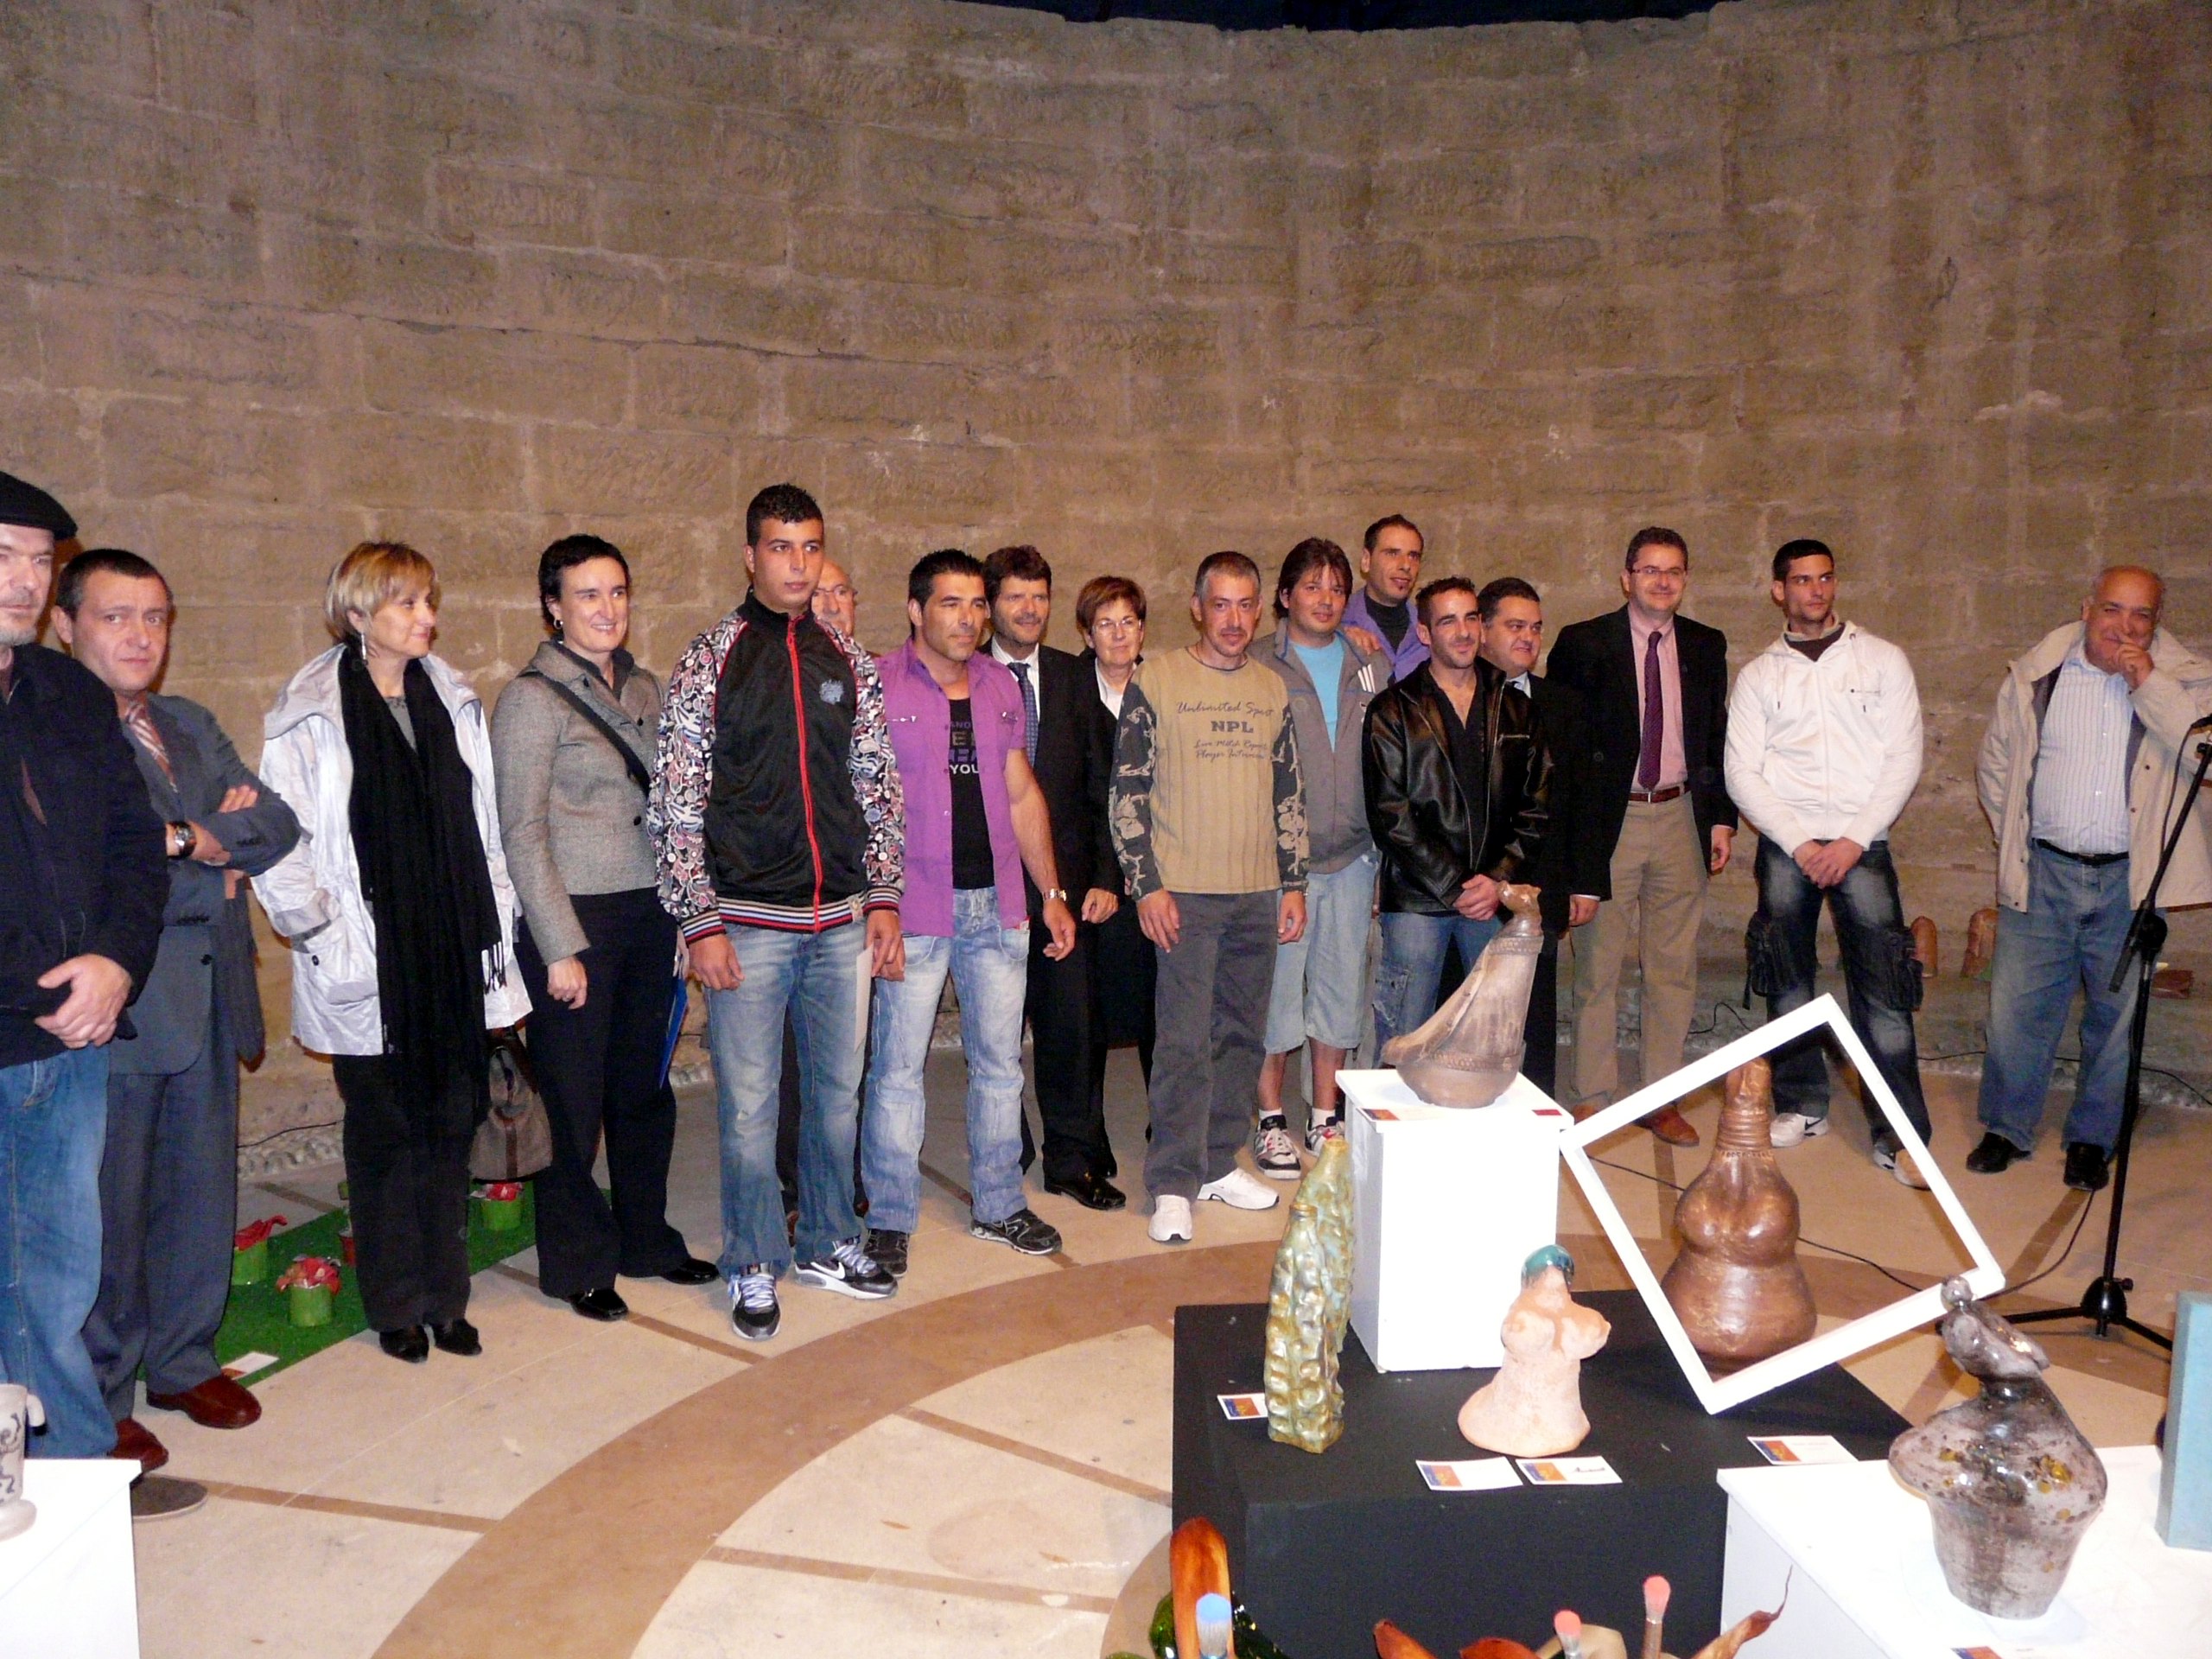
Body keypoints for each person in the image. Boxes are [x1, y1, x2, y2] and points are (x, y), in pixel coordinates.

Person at [53, 550, 299, 1484]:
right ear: (66, 626)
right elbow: (89, 868)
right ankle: (104, 1394)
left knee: (200, 1192)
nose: (139, 636)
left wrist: (188, 840)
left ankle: (185, 1361)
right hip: (123, 1005)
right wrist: (211, 861)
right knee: (111, 1211)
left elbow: (276, 824)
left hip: (210, 991)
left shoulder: (186, 722)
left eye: (154, 617)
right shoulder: (56, 731)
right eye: (116, 617)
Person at [254, 542, 530, 1364]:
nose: (426, 617)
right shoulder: (310, 711)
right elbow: (280, 839)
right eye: (407, 603)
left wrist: (499, 923)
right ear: (358, 613)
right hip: (369, 956)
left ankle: (448, 1299)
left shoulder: (450, 697)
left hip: (453, 952)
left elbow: (484, 828)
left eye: (428, 601)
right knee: (384, 1138)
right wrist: (320, 929)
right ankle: (396, 1304)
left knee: (450, 1128)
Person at [649, 483, 903, 1342]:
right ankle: (752, 1259)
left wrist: (883, 897)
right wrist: (700, 921)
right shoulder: (711, 659)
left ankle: (829, 1240)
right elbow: (677, 802)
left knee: (835, 1100)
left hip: (840, 922)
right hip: (748, 925)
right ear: (750, 556)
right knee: (751, 1110)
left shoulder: (847, 660)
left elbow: (876, 787)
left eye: (811, 547)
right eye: (781, 548)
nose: (798, 564)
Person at [492, 536, 717, 1324]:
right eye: (588, 594)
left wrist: (685, 910)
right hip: (577, 919)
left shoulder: (646, 687)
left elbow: (677, 808)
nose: (607, 608)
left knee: (644, 1091)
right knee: (573, 1102)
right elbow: (521, 832)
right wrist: (559, 947)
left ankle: (646, 1239)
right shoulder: (530, 700)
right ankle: (578, 1264)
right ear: (553, 606)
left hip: (649, 913)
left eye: (617, 592)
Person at [0, 474, 165, 1471]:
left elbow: (135, 848)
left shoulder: (67, 694)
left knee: (60, 1277)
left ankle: (67, 1486)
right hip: (23, 1024)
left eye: (38, 560)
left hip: (78, 1037)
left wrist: (114, 963)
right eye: (2, 556)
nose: (24, 580)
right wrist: (47, 992)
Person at [861, 551, 1078, 1276]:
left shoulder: (1000, 686)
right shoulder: (879, 686)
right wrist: (876, 904)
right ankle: (889, 1216)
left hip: (998, 906)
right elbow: (861, 803)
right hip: (916, 908)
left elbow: (1021, 793)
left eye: (978, 604)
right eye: (951, 603)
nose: (969, 618)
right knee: (897, 1071)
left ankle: (999, 1204)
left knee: (999, 1067)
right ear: (916, 610)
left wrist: (1051, 893)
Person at [1967, 566, 2212, 1192]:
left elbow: (2204, 757)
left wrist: (2149, 685)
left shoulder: (2186, 682)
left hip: (2129, 882)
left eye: (2141, 615)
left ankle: (2091, 1139)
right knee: (2017, 1012)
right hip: (2044, 871)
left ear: (2156, 623)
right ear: (2087, 609)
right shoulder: (2037, 675)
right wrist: (2017, 838)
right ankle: (2007, 1128)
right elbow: (1997, 765)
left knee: (2115, 1020)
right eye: (2112, 609)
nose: (2125, 627)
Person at [1112, 551, 1308, 1245]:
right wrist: (1147, 884)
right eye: (1220, 604)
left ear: (1260, 610)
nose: (1234, 619)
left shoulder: (1270, 689)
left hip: (1257, 894)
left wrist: (1293, 882)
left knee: (1241, 1038)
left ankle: (1218, 1162)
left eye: (1246, 604)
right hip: (1185, 898)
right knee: (1184, 1043)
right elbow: (1127, 790)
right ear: (1197, 608)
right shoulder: (1158, 680)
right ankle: (1172, 1181)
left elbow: (1289, 792)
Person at [1724, 540, 1931, 1187]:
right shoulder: (1760, 676)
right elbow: (1741, 771)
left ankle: (1900, 1136)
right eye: (1801, 581)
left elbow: (1904, 757)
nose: (1814, 591)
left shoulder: (1882, 660)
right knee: (1787, 983)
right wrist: (1800, 843)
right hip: (1789, 848)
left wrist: (1852, 840)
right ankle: (1801, 1103)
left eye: (1824, 579)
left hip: (1861, 845)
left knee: (1885, 993)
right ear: (1778, 591)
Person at [1547, 527, 1736, 1147]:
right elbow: (1565, 751)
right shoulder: (1583, 643)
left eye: (1673, 571)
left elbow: (1715, 737)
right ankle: (1592, 1096)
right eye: (1650, 570)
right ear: (1626, 577)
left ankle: (1660, 1097)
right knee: (1597, 966)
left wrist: (1721, 817)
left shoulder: (1705, 645)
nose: (1662, 581)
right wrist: (1573, 843)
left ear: (1685, 580)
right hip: (1613, 822)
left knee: (1673, 970)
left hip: (1680, 816)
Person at [983, 545, 1123, 1211]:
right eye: (1015, 596)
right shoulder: (968, 674)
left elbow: (1104, 786)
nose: (1029, 608)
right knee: (994, 1034)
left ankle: (1071, 1159)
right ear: (991, 605)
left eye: (1039, 596)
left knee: (1071, 1028)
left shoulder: (1074, 677)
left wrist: (1105, 875)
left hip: (1064, 891)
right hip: (986, 890)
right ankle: (1003, 1151)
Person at [1365, 577, 1552, 1058]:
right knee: (1404, 1039)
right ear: (1425, 633)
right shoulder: (1393, 710)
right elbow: (1390, 815)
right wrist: (1456, 886)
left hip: (1494, 898)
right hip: (1418, 899)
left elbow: (1536, 804)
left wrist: (1497, 878)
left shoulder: (1517, 709)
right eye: (1448, 620)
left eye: (1471, 617)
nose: (1464, 631)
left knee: (1494, 1041)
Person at [1253, 538, 1388, 1174]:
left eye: (1336, 588)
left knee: (1339, 991)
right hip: (1281, 866)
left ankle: (1324, 1114)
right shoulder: (1259, 665)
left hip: (1354, 858)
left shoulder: (1370, 665)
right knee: (1278, 996)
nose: (1326, 599)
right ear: (1285, 597)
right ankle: (1270, 1118)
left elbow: (1388, 762)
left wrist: (1383, 856)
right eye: (1312, 586)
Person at [1471, 578, 1605, 1099]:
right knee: (1470, 1007)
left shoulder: (1564, 705)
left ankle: (1535, 1110)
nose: (1527, 637)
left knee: (1536, 1011)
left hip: (1542, 884)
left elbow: (1583, 802)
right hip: (1473, 887)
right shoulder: (1456, 698)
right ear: (1483, 630)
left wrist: (1585, 882)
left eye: (1535, 627)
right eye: (1514, 626)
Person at [779, 552, 868, 1228]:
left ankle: (844, 1179)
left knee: (850, 1060)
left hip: (858, 898)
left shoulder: (870, 676)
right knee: (793, 1061)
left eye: (842, 592)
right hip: (790, 900)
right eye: (820, 594)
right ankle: (793, 1188)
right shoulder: (785, 673)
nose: (832, 603)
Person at [1077, 576, 1154, 1135]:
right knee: (1089, 1013)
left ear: (1142, 630)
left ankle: (1167, 1122)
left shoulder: (1164, 687)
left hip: (1154, 872)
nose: (1119, 634)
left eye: (1128, 622)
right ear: (1087, 634)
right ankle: (1091, 1132)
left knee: (1159, 1008)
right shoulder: (1070, 694)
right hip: (1093, 876)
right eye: (1106, 624)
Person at [1342, 514, 1428, 682]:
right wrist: (1338, 633)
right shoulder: (1338, 625)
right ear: (1366, 561)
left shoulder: (1431, 631)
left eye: (1413, 556)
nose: (1406, 565)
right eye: (1392, 553)